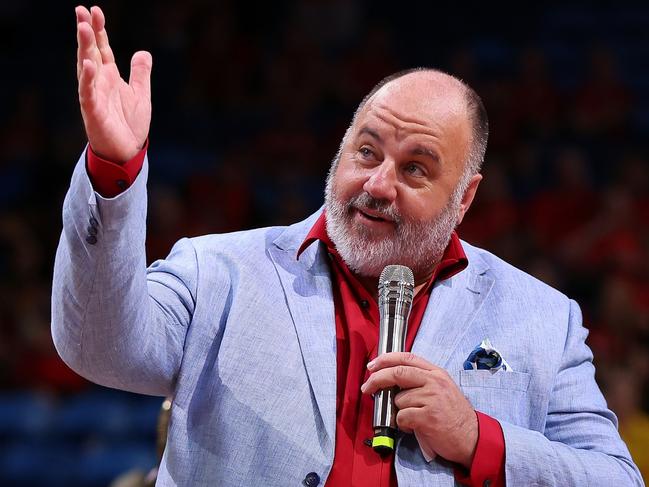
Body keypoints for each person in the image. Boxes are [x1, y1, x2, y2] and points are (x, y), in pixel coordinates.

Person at [52, 5, 643, 487]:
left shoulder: (543, 318)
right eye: (367, 151)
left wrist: (477, 439)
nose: (379, 184)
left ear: (464, 200)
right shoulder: (218, 273)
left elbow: (615, 479)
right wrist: (114, 170)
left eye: (415, 169)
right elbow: (98, 345)